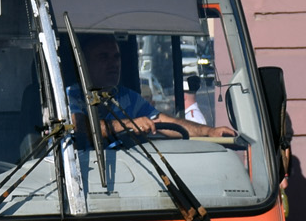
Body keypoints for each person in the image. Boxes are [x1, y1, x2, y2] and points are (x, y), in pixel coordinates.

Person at [69, 33, 234, 141]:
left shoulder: (127, 97)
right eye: (103, 57)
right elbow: (80, 127)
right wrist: (130, 124)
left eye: (116, 57)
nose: (113, 64)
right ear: (84, 63)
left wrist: (209, 132)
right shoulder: (70, 95)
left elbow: (164, 121)